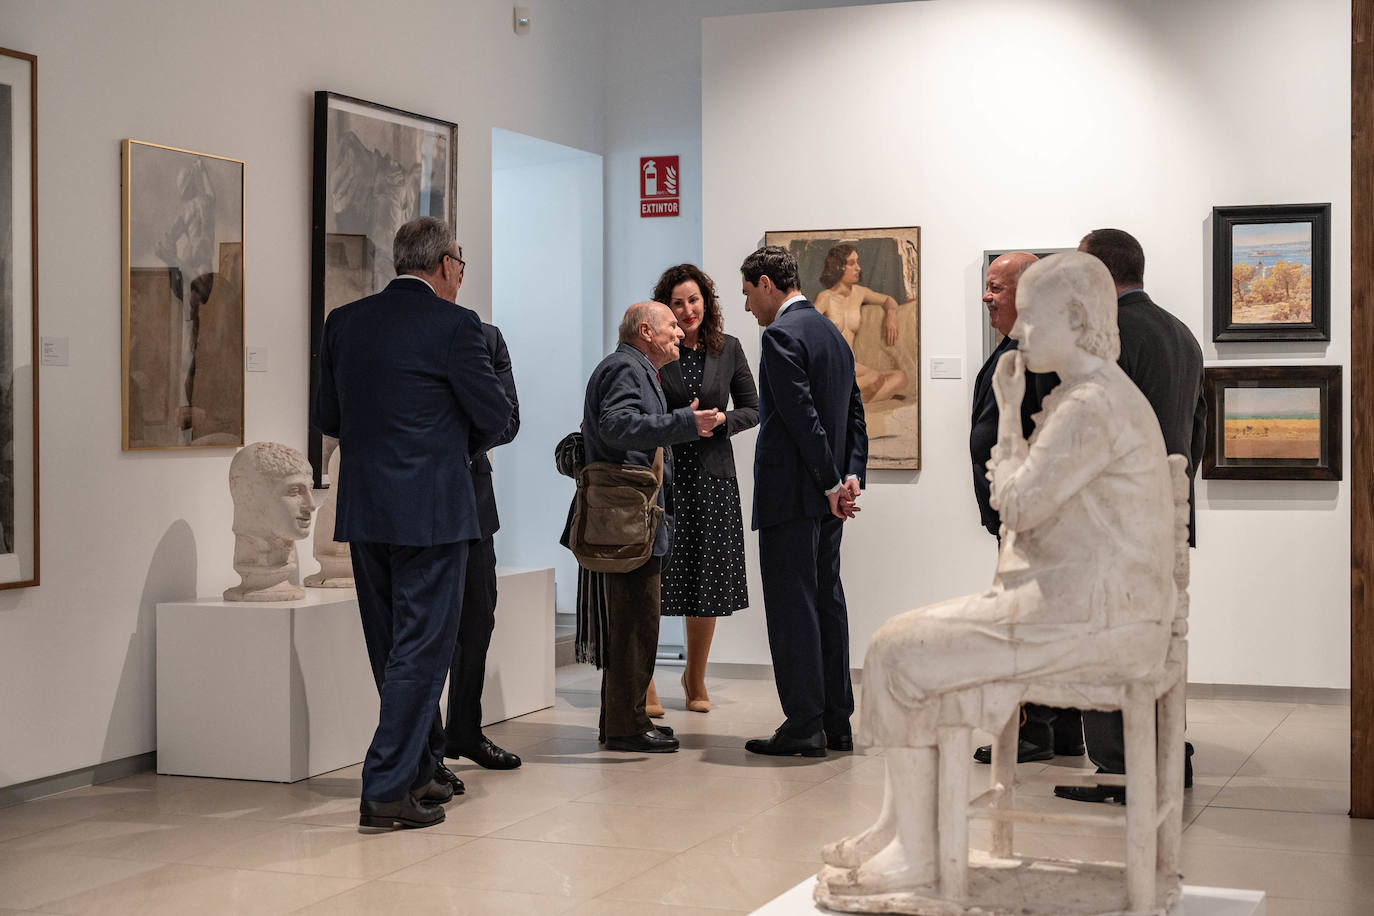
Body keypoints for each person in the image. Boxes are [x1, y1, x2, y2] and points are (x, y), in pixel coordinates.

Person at [822, 252, 1178, 896]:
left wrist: (1009, 412)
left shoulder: (1089, 406)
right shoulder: (1096, 396)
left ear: (1074, 318)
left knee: (895, 652)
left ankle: (914, 851)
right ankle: (904, 828)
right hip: (1094, 604)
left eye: (1033, 319)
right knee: (909, 646)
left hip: (1091, 619)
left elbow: (1016, 503)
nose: (1018, 333)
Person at [312, 217, 513, 830]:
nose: (461, 272)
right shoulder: (457, 326)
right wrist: (451, 445)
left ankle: (421, 766)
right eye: (462, 262)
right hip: (433, 511)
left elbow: (330, 416)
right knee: (421, 652)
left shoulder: (344, 323)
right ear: (447, 264)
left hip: (367, 507)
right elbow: (497, 418)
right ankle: (386, 788)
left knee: (392, 647)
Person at [1056, 227, 1206, 803]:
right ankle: (1169, 753)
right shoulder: (1182, 335)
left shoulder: (1110, 334)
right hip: (1166, 513)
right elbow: (1196, 428)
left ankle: (1122, 770)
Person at [567, 302, 719, 753]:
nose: (680, 332)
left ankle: (626, 719)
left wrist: (677, 419)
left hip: (635, 515)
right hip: (628, 517)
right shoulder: (624, 368)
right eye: (672, 325)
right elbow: (616, 426)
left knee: (638, 621)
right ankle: (625, 727)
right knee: (635, 623)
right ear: (646, 331)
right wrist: (684, 422)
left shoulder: (635, 369)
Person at [740, 245, 868, 758]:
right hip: (825, 497)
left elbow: (800, 418)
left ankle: (803, 725)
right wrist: (850, 475)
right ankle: (837, 721)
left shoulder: (781, 335)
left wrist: (830, 483)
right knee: (827, 601)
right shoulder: (831, 332)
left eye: (749, 293)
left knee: (794, 609)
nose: (748, 306)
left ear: (767, 284)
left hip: (793, 496)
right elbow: (855, 412)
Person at [968, 252, 1083, 766]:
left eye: (996, 287)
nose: (986, 297)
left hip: (1035, 516)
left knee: (1032, 621)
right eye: (986, 287)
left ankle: (1037, 730)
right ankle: (1054, 730)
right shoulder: (1016, 347)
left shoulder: (1040, 353)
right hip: (1019, 515)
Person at [643, 264, 759, 715]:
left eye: (694, 300)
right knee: (653, 577)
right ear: (664, 309)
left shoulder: (728, 348)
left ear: (706, 303)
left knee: (704, 580)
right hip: (665, 475)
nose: (687, 310)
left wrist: (724, 421)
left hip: (712, 477)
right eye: (677, 303)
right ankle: (646, 679)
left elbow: (753, 408)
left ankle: (695, 676)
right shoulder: (655, 349)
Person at [432, 317, 523, 770]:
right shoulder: (414, 332)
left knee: (478, 620)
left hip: (474, 496)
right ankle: (427, 749)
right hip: (422, 500)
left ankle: (464, 729)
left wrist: (455, 448)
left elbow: (509, 418)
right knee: (426, 629)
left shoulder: (486, 337)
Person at [814, 244, 909, 403]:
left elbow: (888, 300)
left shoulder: (860, 293)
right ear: (838, 266)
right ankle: (843, 400)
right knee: (874, 378)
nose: (858, 267)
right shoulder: (825, 297)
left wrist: (891, 314)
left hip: (851, 365)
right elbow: (807, 327)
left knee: (900, 377)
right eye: (852, 263)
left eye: (857, 262)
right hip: (831, 365)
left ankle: (848, 404)